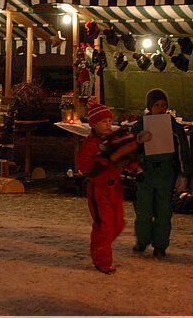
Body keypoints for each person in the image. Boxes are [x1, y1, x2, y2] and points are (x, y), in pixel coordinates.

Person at [76, 99, 140, 274]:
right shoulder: (90, 145)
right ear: (93, 124)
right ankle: (102, 261)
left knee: (117, 224)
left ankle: (99, 247)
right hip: (99, 189)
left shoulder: (113, 139)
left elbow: (124, 156)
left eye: (110, 120)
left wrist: (135, 168)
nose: (108, 124)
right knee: (104, 226)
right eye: (104, 121)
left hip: (115, 188)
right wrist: (102, 161)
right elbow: (85, 167)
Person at [131, 88, 191, 257]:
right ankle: (142, 240)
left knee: (163, 211)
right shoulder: (139, 126)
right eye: (156, 105)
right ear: (150, 106)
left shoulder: (174, 127)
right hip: (146, 173)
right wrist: (138, 141)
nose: (161, 108)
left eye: (164, 105)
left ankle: (160, 244)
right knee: (144, 210)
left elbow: (183, 150)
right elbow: (130, 150)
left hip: (165, 173)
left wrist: (184, 174)